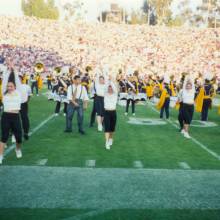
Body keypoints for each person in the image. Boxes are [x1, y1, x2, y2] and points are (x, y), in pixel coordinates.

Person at [0, 68, 22, 164]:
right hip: (6, 116)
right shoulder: (4, 94)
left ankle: (17, 149)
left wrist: (14, 70)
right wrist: (8, 70)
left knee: (18, 137)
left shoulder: (18, 93)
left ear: (15, 87)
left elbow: (17, 80)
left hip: (15, 116)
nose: (9, 87)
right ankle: (0, 156)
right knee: (4, 136)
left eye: (11, 86)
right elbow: (4, 80)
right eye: (8, 86)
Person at [103, 81, 118, 150]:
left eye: (111, 88)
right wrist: (108, 81)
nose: (110, 89)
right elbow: (105, 87)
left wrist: (111, 81)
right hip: (106, 112)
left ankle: (111, 138)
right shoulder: (105, 94)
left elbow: (114, 88)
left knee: (112, 129)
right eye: (109, 88)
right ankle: (106, 142)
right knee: (107, 128)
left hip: (113, 112)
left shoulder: (115, 94)